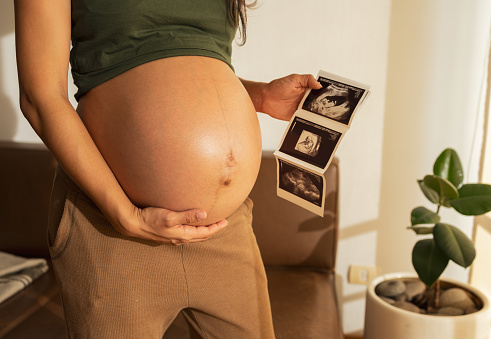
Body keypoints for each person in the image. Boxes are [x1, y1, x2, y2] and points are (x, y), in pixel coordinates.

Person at [14, 0, 321, 337]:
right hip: (114, 231)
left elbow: (184, 58)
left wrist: (258, 95)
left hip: (223, 229)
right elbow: (41, 95)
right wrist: (124, 214)